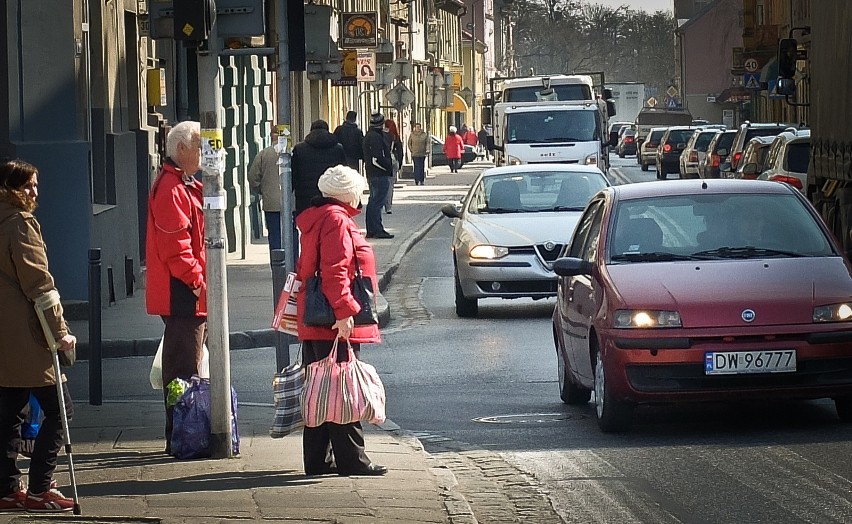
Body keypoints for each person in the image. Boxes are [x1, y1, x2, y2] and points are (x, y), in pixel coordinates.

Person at [294, 165, 387, 477]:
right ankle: (352, 460)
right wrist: (345, 313)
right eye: (358, 191)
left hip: (318, 317)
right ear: (347, 194)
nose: (361, 197)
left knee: (322, 387)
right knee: (343, 389)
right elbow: (335, 270)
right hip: (331, 319)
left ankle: (317, 459)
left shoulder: (320, 216)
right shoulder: (336, 220)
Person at [0, 158, 78, 513]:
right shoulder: (20, 224)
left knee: (10, 412)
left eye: (35, 185)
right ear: (9, 188)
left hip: (5, 337)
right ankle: (39, 488)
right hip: (29, 335)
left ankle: (6, 487)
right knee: (60, 410)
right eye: (26, 185)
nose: (34, 192)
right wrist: (61, 332)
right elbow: (40, 286)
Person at [145, 121, 207, 456]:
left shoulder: (181, 183)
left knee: (187, 366)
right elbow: (177, 248)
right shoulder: (170, 186)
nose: (202, 152)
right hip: (181, 290)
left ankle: (184, 430)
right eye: (199, 146)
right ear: (180, 148)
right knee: (183, 370)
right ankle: (182, 434)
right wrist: (197, 282)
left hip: (186, 290)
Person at [292, 120, 348, 217]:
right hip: (331, 195)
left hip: (306, 197)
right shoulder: (338, 148)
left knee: (309, 227)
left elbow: (293, 175)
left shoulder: (299, 149)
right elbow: (343, 172)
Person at [248, 126, 283, 250]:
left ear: (271, 136)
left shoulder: (264, 154)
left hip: (271, 203)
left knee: (274, 236)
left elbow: (253, 177)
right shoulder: (292, 153)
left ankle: (276, 265)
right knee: (291, 234)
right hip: (291, 203)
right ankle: (292, 264)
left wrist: (261, 190)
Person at [362, 112, 394, 239]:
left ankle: (371, 229)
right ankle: (377, 229)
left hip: (372, 173)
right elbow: (377, 158)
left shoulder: (369, 135)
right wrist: (388, 167)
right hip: (379, 174)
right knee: (377, 202)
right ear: (381, 124)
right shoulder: (375, 137)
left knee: (373, 201)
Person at [383, 118, 403, 214]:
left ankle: (382, 203)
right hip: (393, 161)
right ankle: (388, 206)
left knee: (382, 184)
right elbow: (400, 150)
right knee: (390, 185)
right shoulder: (395, 136)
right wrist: (400, 163)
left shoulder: (382, 136)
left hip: (383, 161)